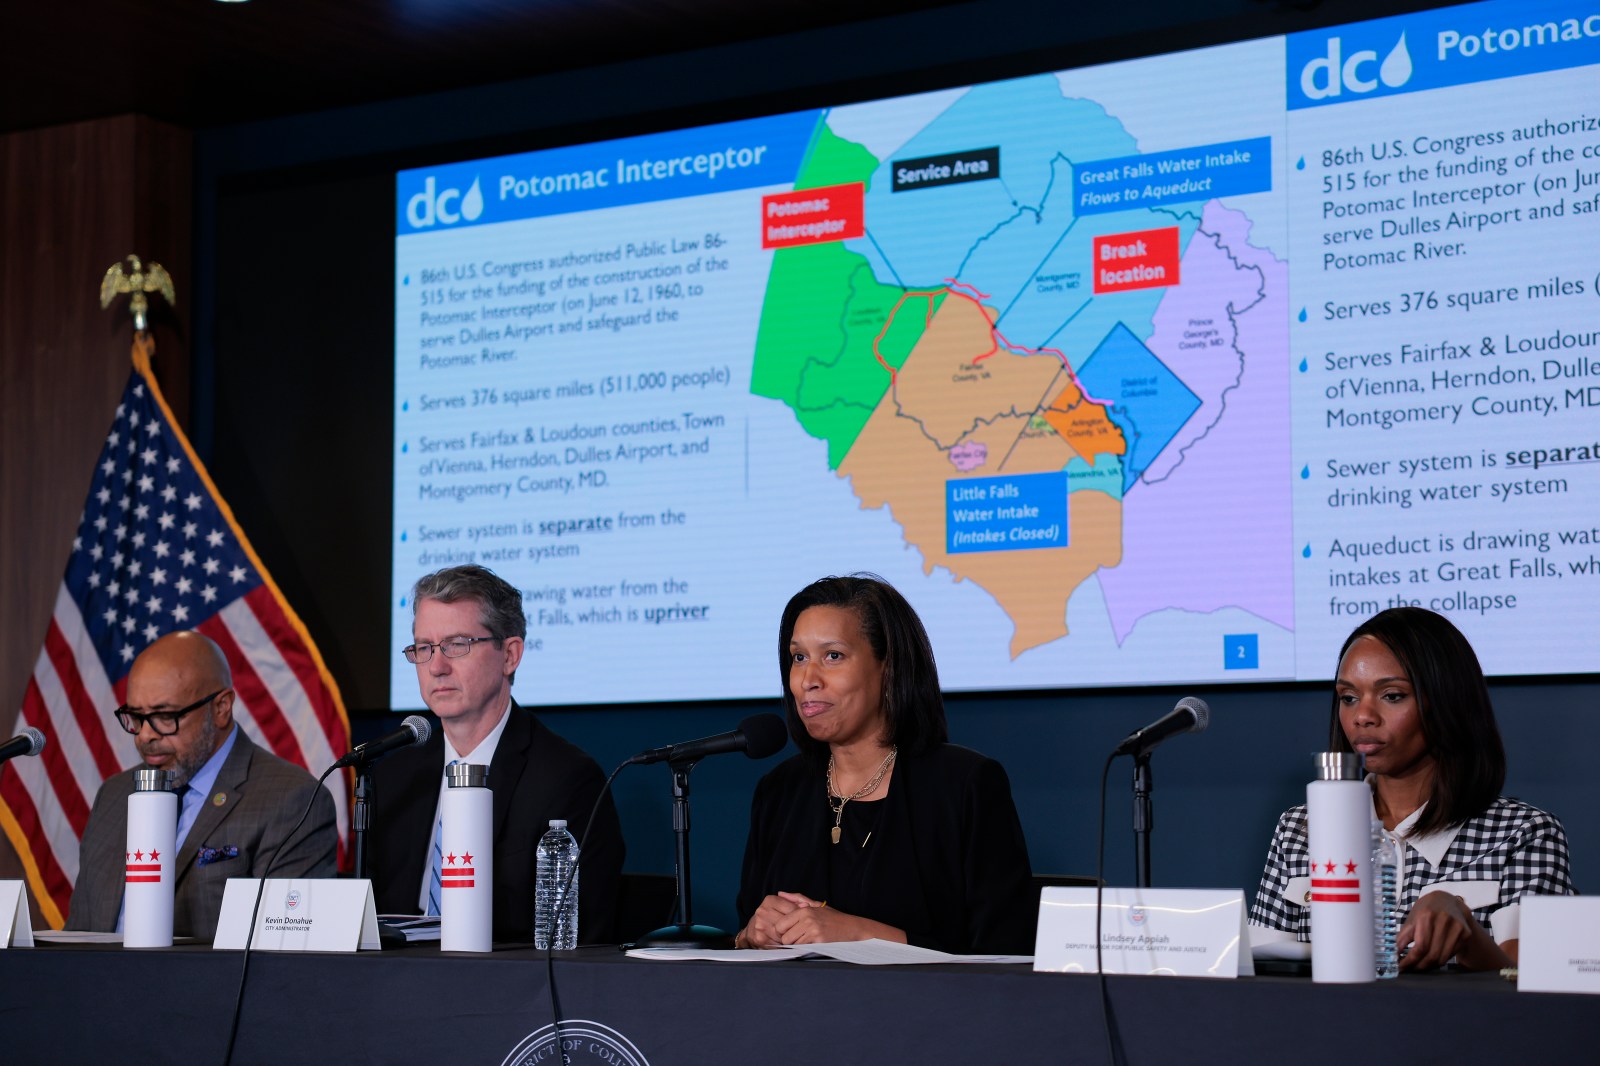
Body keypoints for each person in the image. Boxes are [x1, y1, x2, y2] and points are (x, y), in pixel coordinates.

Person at [1249, 606, 1575, 970]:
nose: (1362, 717)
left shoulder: (1523, 834)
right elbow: (1260, 972)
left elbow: (1530, 990)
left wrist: (1466, 928)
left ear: (1447, 702)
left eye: (1392, 695)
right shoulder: (1300, 828)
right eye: (1348, 697)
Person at [735, 574, 1036, 954]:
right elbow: (745, 938)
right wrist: (749, 935)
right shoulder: (779, 792)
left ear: (889, 668)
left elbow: (1006, 954)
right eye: (798, 658)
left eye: (833, 656)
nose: (807, 680)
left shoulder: (964, 787)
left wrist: (859, 935)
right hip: (793, 1010)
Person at [370, 564, 624, 941]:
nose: (437, 667)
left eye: (457, 645)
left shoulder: (567, 781)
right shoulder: (394, 778)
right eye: (424, 648)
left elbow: (580, 942)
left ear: (510, 655)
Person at [66, 631, 337, 940]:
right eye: (136, 717)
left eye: (165, 716)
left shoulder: (292, 800)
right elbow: (80, 931)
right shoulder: (115, 795)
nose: (144, 736)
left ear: (221, 707)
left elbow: (283, 954)